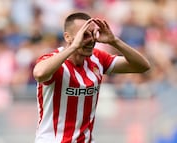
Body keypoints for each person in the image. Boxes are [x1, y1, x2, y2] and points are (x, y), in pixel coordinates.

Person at [33, 12, 150, 143]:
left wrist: (114, 41)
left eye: (93, 34)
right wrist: (73, 47)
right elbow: (39, 74)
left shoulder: (98, 59)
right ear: (68, 37)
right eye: (84, 35)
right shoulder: (53, 61)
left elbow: (142, 66)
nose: (90, 40)